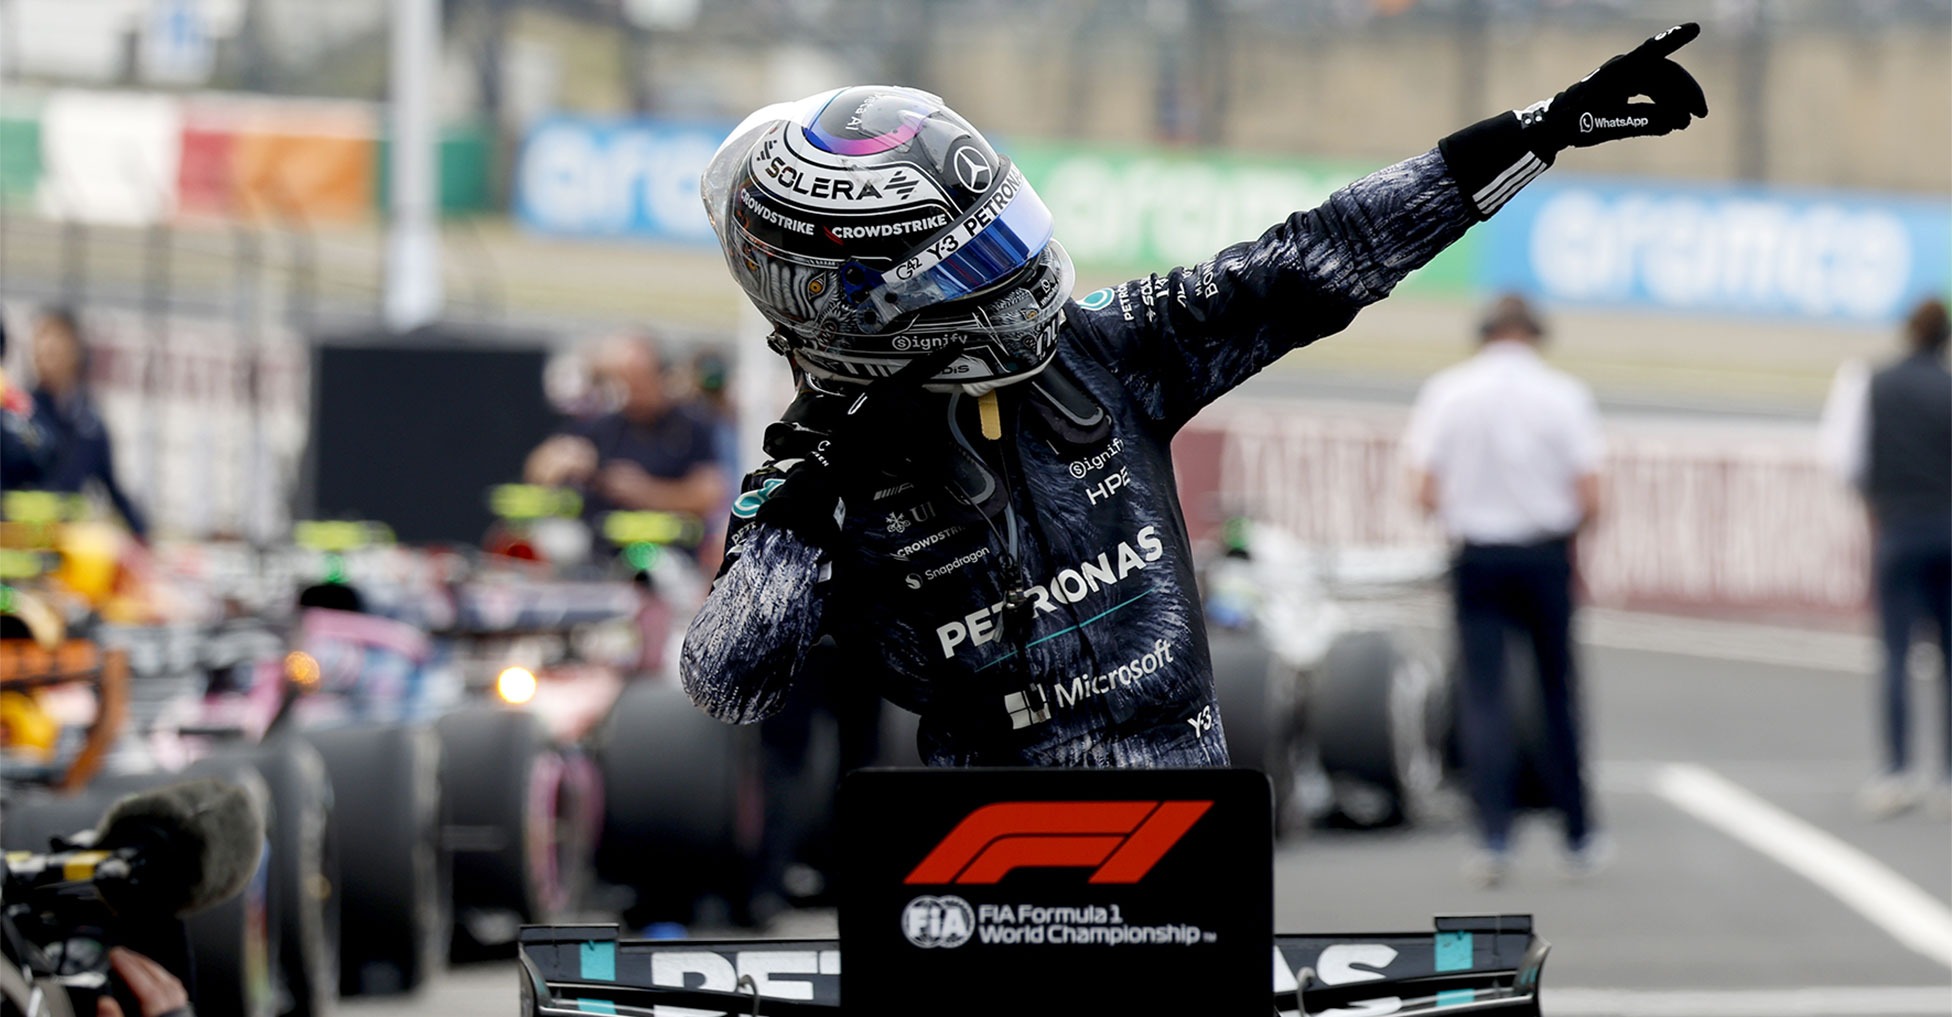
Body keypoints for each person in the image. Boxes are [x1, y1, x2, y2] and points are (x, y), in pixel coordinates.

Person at [681, 27, 1707, 768]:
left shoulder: (1108, 350)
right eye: (972, 262)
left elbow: (1320, 254)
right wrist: (783, 527)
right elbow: (728, 681)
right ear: (845, 307)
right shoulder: (816, 481)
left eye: (1003, 233)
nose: (1020, 272)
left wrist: (1541, 129)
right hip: (972, 866)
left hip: (1186, 846)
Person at [1403, 295, 1606, 886]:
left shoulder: (1449, 391)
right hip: (1543, 553)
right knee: (1558, 696)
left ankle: (1493, 836)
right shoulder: (1564, 395)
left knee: (1482, 697)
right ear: (1535, 335)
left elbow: (1422, 491)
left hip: (1478, 554)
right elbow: (1592, 497)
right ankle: (1578, 832)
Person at [1822, 297, 1951, 818]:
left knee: (1896, 655)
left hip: (1898, 528)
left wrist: (1877, 503)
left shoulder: (1871, 383)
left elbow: (1844, 459)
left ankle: (1897, 769)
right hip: (1948, 528)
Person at [523, 334, 726, 524]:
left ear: (659, 375)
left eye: (638, 378)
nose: (630, 388)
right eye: (622, 378)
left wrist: (647, 492)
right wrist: (566, 462)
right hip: (600, 542)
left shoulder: (689, 426)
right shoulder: (604, 424)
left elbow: (711, 494)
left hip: (666, 545)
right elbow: (542, 465)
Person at [27, 309, 147, 538]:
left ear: (74, 350)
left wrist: (144, 538)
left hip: (68, 548)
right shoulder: (20, 414)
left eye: (56, 339)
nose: (46, 348)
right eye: (41, 339)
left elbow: (113, 489)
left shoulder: (89, 425)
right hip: (22, 546)